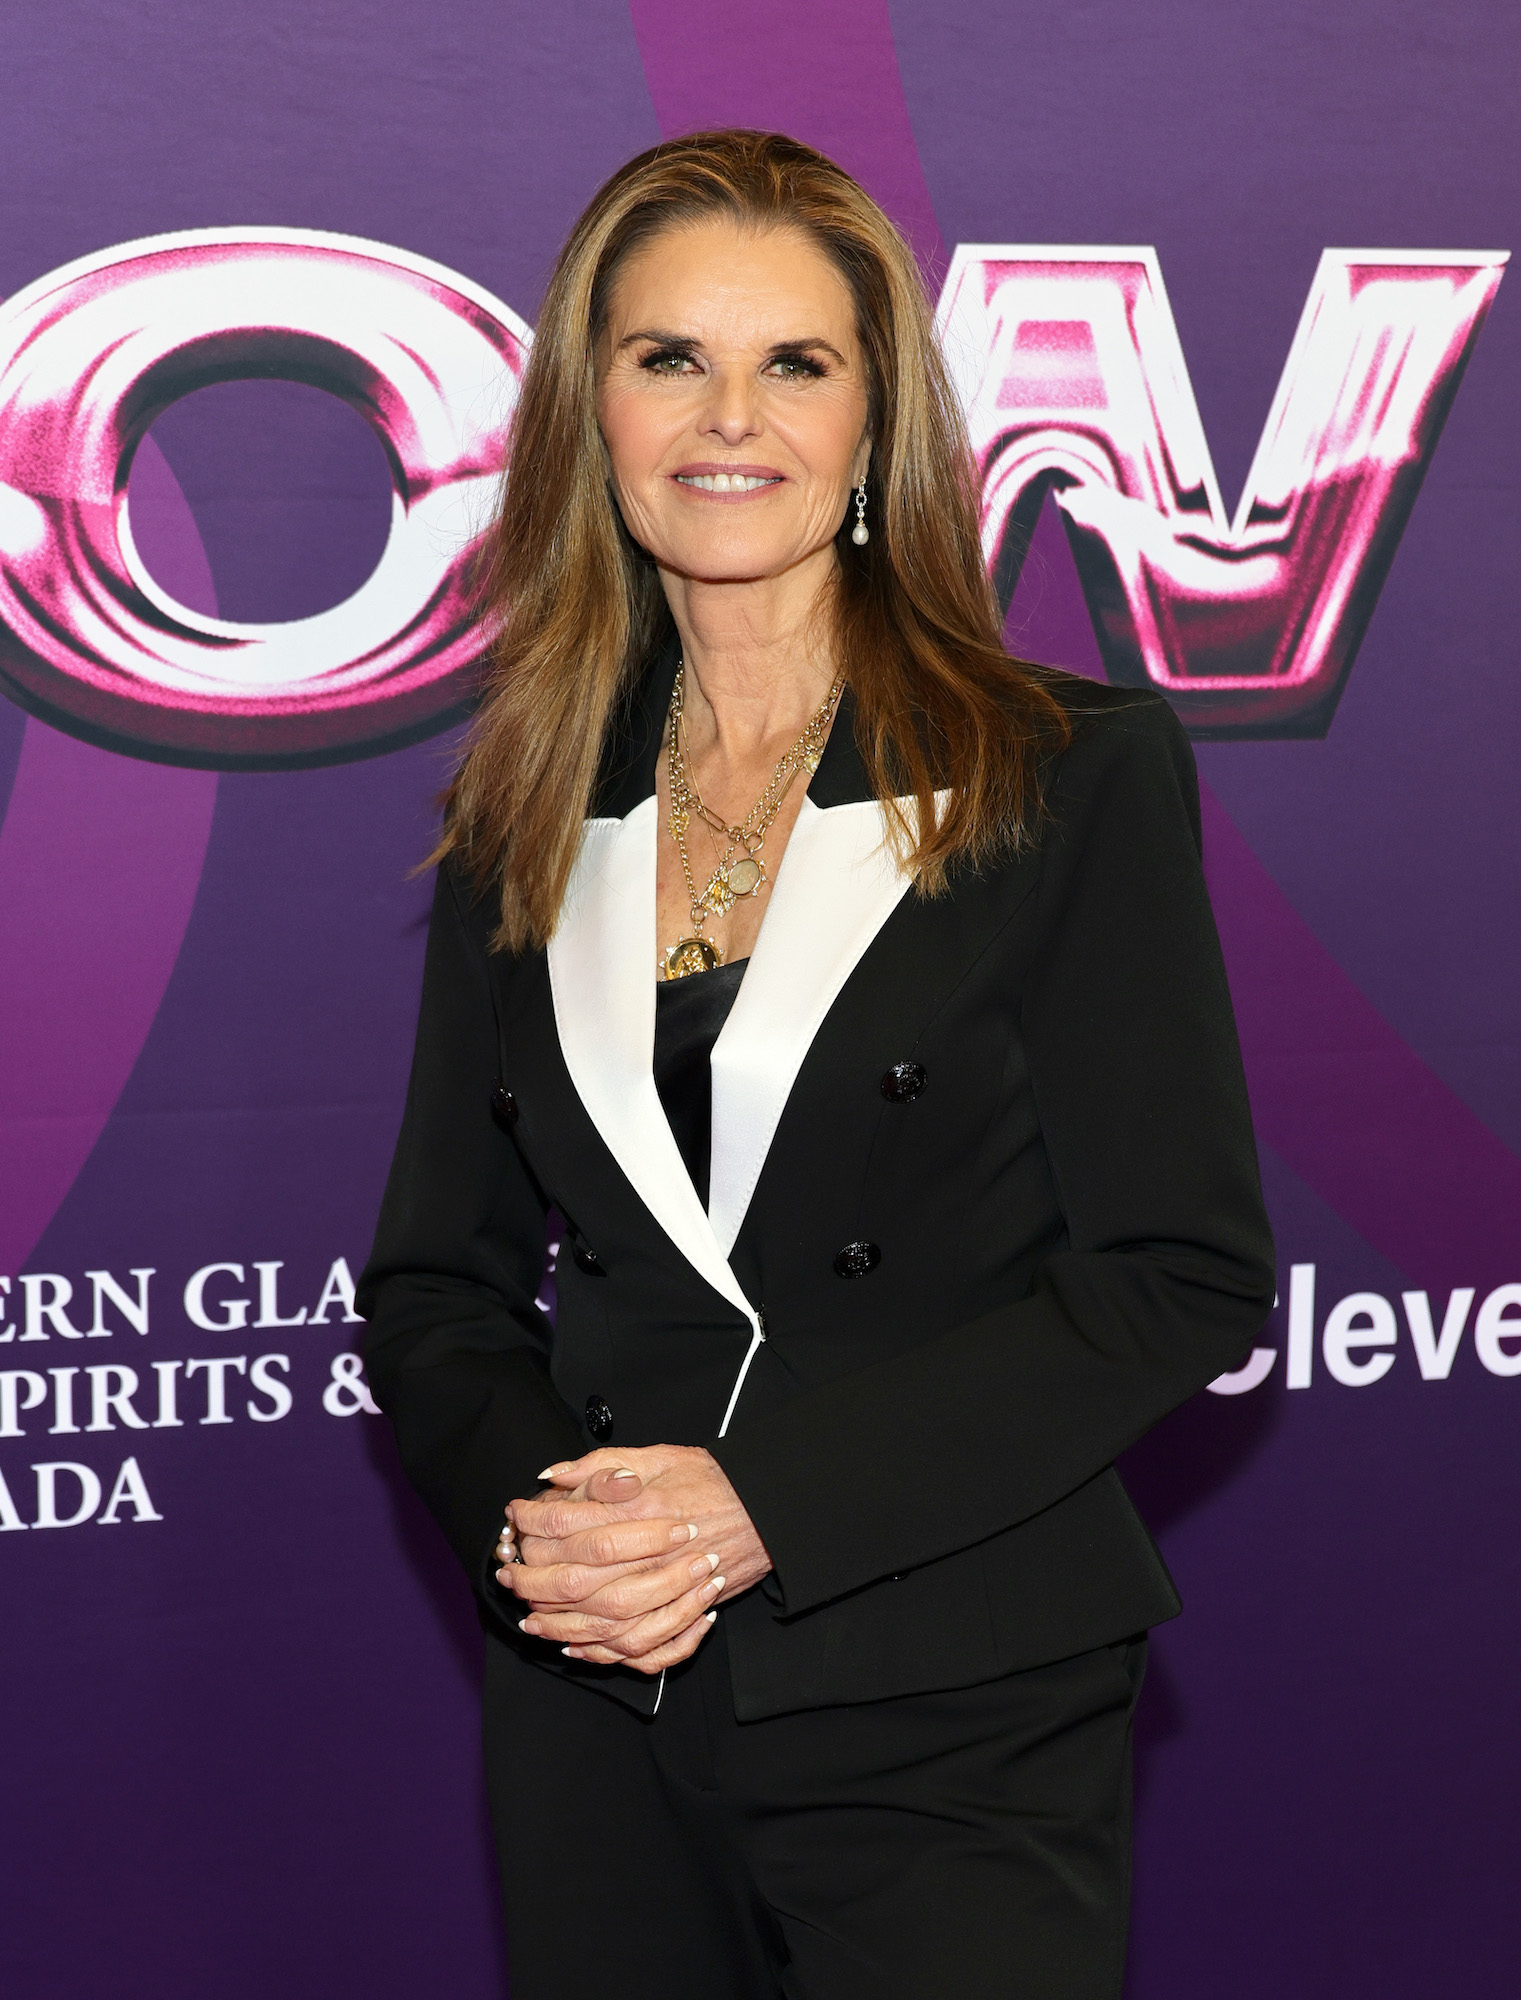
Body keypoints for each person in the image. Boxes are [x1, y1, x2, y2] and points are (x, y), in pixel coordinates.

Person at [358, 128, 1274, 2000]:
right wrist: (560, 1532)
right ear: (591, 414)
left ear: (874, 424)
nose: (730, 417)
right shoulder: (520, 810)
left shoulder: (1063, 773)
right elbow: (437, 1287)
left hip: (953, 1688)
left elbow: (1175, 1272)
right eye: (667, 357)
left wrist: (761, 1503)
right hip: (602, 1692)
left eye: (796, 362)